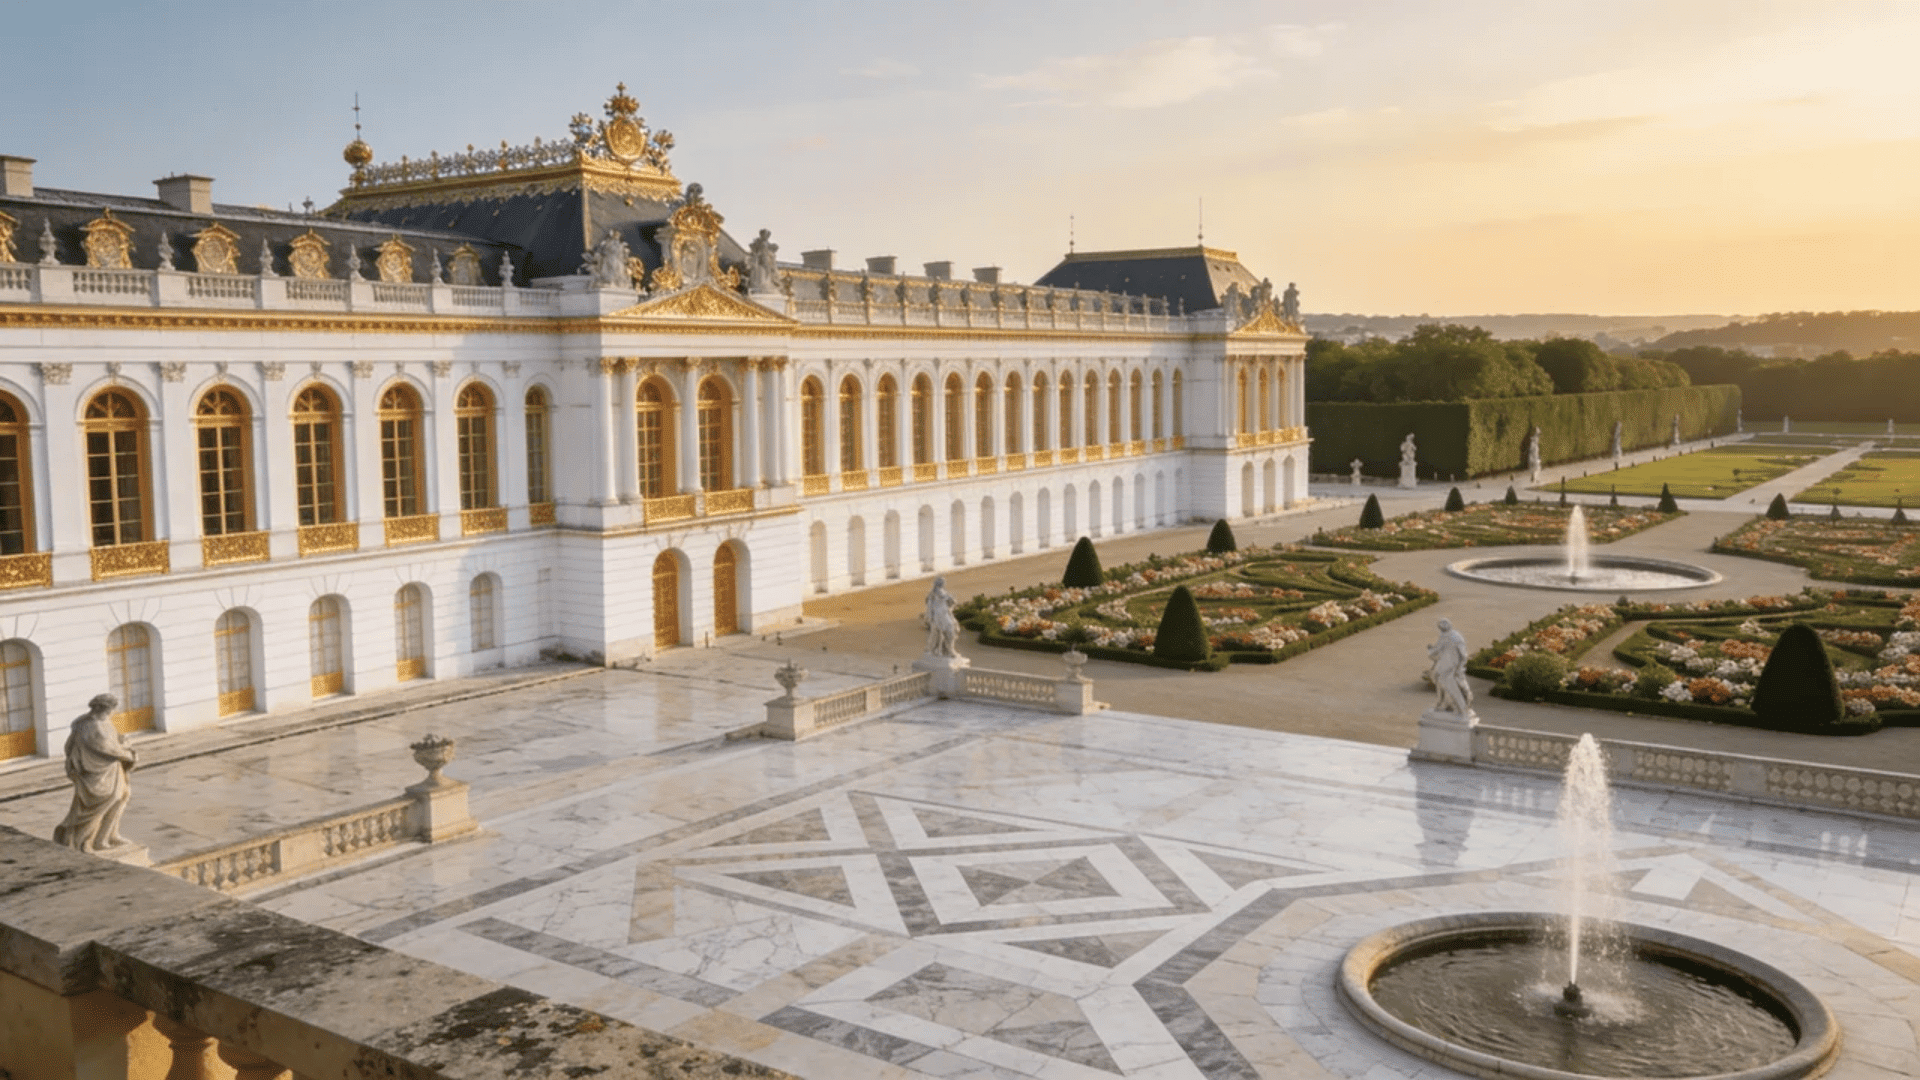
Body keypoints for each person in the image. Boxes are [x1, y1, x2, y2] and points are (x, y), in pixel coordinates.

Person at [53, 694, 138, 853]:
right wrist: (129, 754)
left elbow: (111, 740)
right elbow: (107, 748)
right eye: (110, 710)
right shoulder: (91, 726)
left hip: (110, 770)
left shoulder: (101, 721)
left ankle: (107, 836)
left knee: (123, 795)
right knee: (102, 803)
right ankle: (84, 842)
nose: (111, 713)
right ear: (102, 708)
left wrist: (121, 740)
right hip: (95, 774)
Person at [1427, 619, 1473, 716]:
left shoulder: (1448, 636)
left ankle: (1459, 706)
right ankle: (1445, 704)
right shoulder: (1454, 636)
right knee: (1440, 681)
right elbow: (1463, 654)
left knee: (1447, 684)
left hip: (1448, 666)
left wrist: (1430, 649)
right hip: (1449, 665)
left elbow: (1434, 651)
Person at [924, 576, 960, 658]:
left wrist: (952, 601)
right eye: (941, 583)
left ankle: (950, 649)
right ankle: (940, 650)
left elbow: (951, 602)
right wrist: (930, 618)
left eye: (943, 583)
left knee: (951, 630)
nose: (943, 584)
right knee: (938, 634)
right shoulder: (932, 595)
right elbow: (930, 608)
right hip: (938, 616)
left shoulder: (945, 593)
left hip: (945, 614)